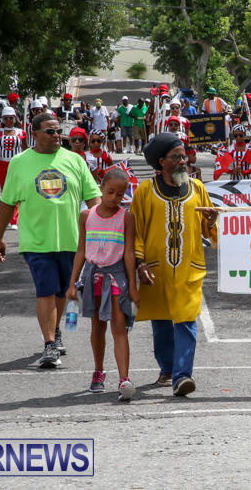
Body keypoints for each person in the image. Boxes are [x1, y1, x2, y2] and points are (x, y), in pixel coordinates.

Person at [0, 112, 102, 368]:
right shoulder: (20, 162)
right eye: (50, 131)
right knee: (46, 289)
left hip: (71, 240)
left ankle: (55, 330)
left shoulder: (74, 160)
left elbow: (93, 198)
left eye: (59, 131)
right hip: (36, 241)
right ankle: (50, 344)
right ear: (35, 134)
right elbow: (7, 202)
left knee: (62, 291)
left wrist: (102, 231)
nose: (57, 136)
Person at [130, 133, 219, 396]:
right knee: (161, 322)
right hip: (155, 269)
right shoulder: (146, 191)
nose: (183, 161)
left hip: (190, 268)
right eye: (176, 157)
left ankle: (182, 376)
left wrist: (211, 221)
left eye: (184, 156)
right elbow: (136, 231)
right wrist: (140, 262)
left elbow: (208, 228)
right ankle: (167, 369)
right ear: (161, 162)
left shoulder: (197, 188)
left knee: (186, 320)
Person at [66, 168, 139, 400]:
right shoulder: (86, 216)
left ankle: (124, 378)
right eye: (110, 192)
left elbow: (129, 253)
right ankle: (98, 371)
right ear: (101, 187)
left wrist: (133, 286)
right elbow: (81, 250)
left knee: (119, 327)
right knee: (97, 326)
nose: (114, 198)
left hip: (117, 277)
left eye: (120, 194)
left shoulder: (126, 217)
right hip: (93, 276)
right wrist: (72, 283)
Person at [0, 107, 27, 228]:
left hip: (17, 164)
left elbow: (26, 150)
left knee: (17, 191)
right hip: (2, 165)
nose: (8, 120)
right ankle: (9, 218)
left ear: (15, 118)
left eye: (11, 118)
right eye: (6, 118)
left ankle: (15, 219)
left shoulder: (21, 133)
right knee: (6, 192)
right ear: (2, 119)